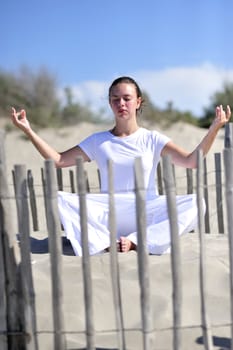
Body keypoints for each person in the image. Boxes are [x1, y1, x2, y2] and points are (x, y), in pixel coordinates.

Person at [11, 76, 231, 256]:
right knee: (59, 198)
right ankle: (104, 241)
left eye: (127, 98)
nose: (121, 104)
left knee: (196, 203)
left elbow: (191, 161)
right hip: (109, 212)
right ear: (109, 103)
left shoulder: (152, 139)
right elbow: (58, 160)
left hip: (147, 210)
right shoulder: (98, 141)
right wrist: (29, 130)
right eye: (115, 99)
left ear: (138, 102)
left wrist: (214, 128)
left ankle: (137, 241)